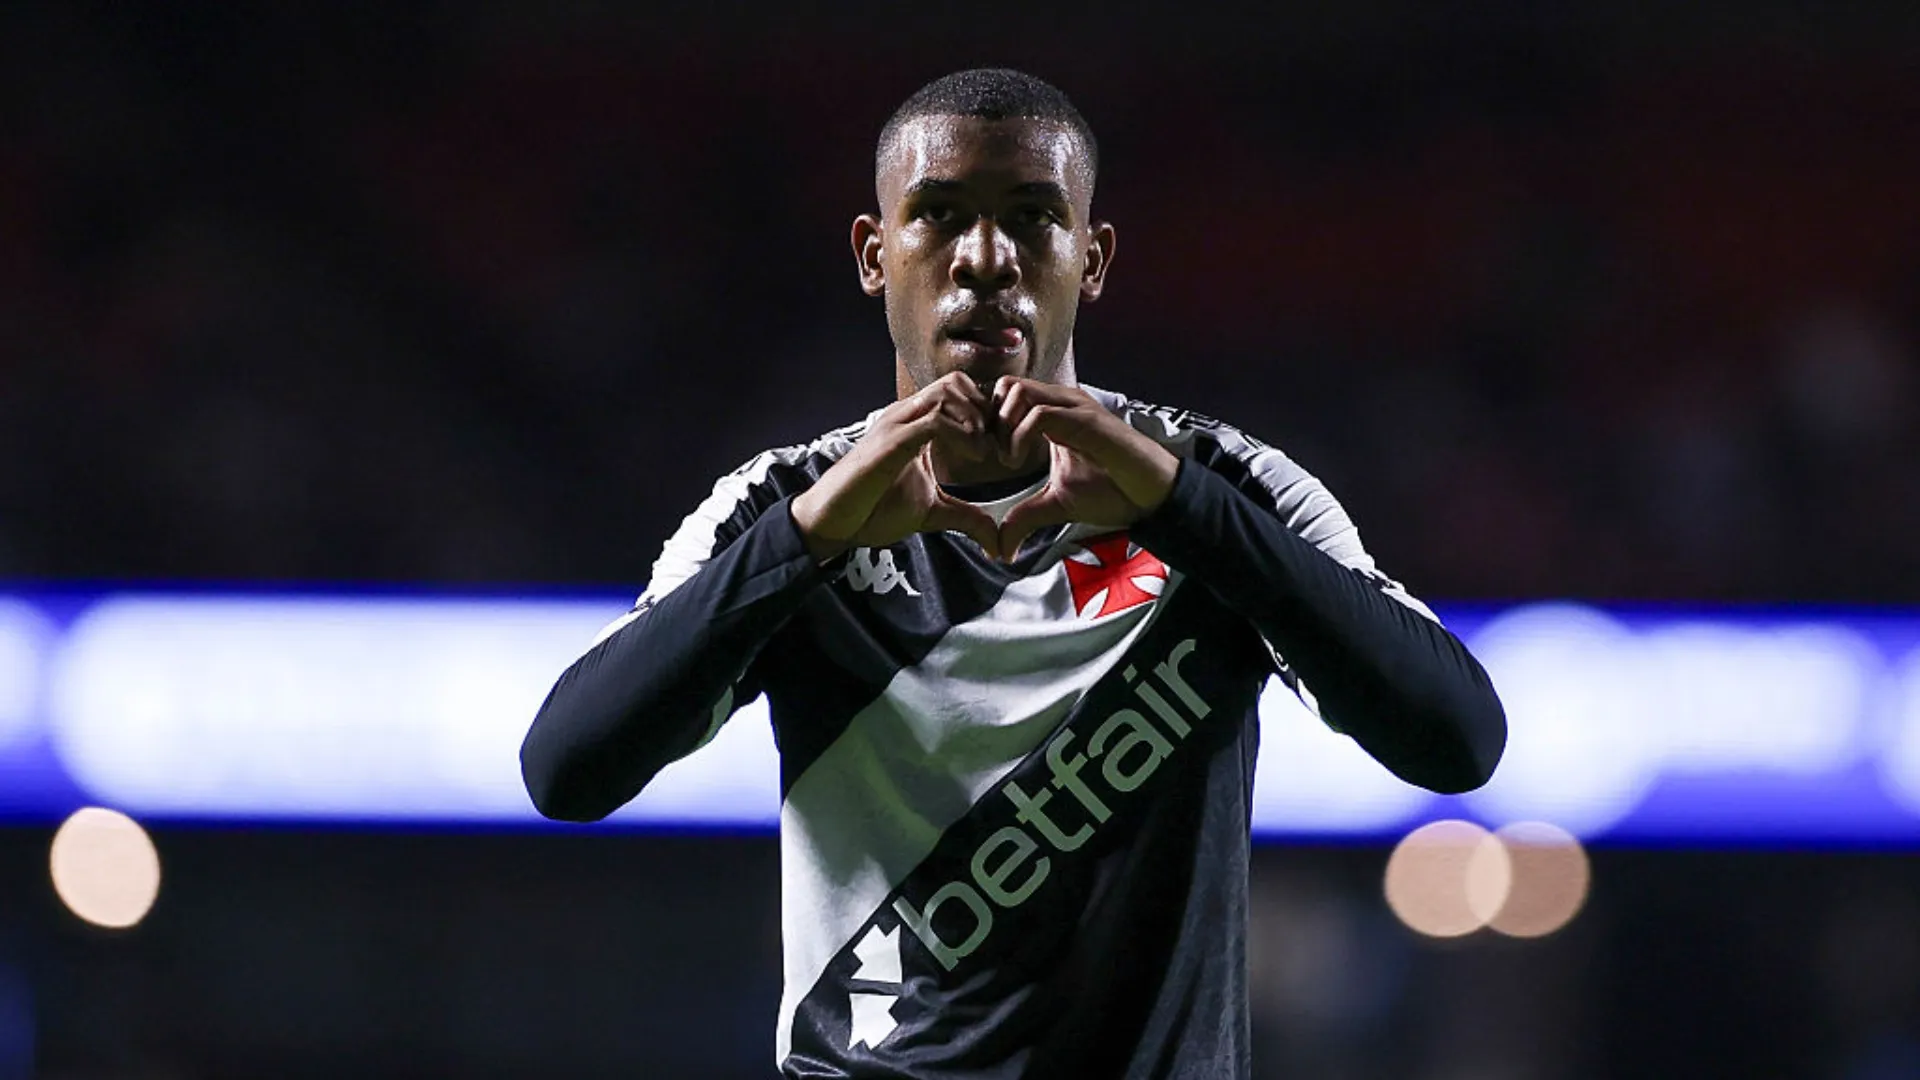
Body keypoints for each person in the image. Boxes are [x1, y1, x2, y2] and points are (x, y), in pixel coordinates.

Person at [520, 67, 1506, 1079]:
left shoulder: (1222, 491)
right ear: (873, 253)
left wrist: (1180, 512)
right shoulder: (789, 505)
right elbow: (566, 769)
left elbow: (1458, 741)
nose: (984, 259)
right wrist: (806, 543)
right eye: (937, 215)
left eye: (1033, 219)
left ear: (1093, 257)